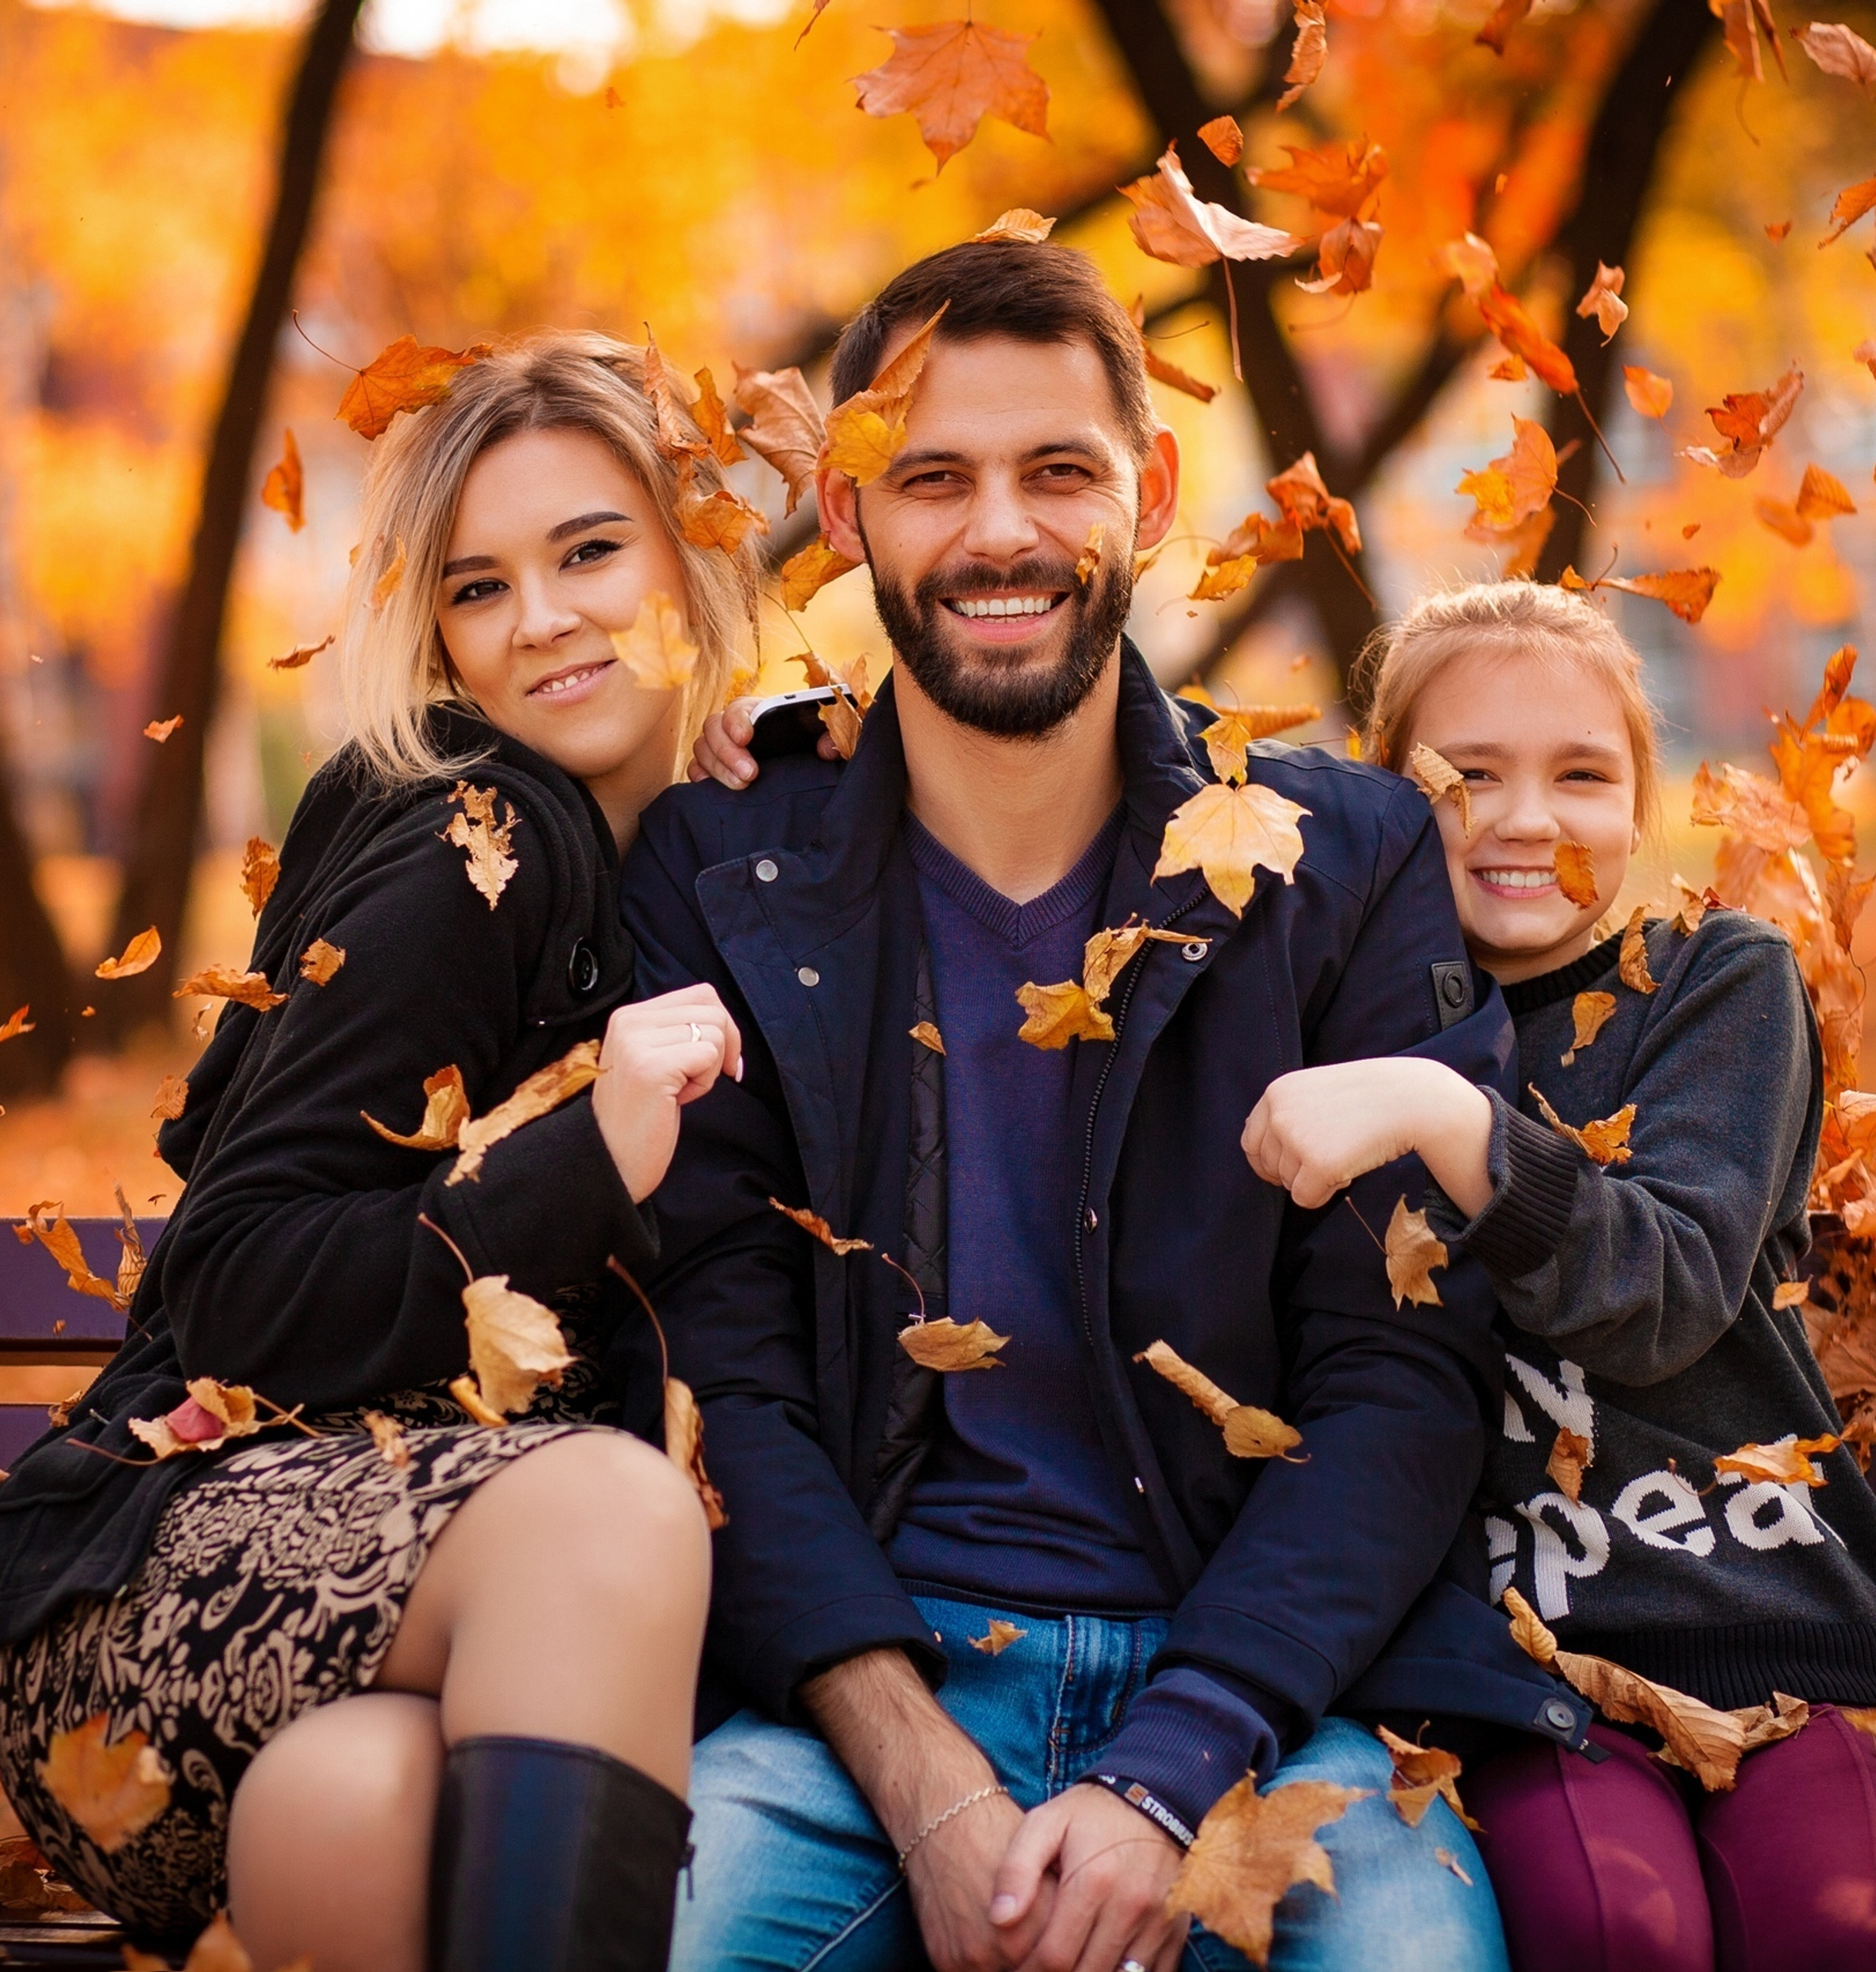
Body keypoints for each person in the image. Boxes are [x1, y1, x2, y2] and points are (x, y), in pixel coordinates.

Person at [623, 240, 1586, 1972]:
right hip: (864, 1695)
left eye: (1057, 470)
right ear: (844, 515)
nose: (999, 534)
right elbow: (725, 1375)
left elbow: (1399, 1380)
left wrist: (1170, 1762)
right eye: (933, 478)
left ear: (1148, 490)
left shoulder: (1345, 861)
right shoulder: (722, 868)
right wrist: (921, 1780)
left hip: (1272, 1696)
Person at [0, 333, 758, 1972]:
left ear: (695, 555)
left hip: (367, 1660)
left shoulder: (682, 841)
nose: (542, 620)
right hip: (159, 1600)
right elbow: (231, 1279)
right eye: (478, 588)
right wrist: (587, 1157)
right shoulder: (479, 846)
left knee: (358, 1799)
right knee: (610, 1511)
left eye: (590, 552)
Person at [1241, 581, 1876, 1970]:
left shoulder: (1717, 984)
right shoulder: (1336, 1026)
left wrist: (1445, 1116)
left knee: (1838, 1919)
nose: (1525, 818)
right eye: (1467, 776)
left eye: (1582, 775)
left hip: (1767, 1627)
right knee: (1614, 1926)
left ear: (1638, 807)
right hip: (1518, 1672)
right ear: (1389, 802)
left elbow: (1666, 1291)